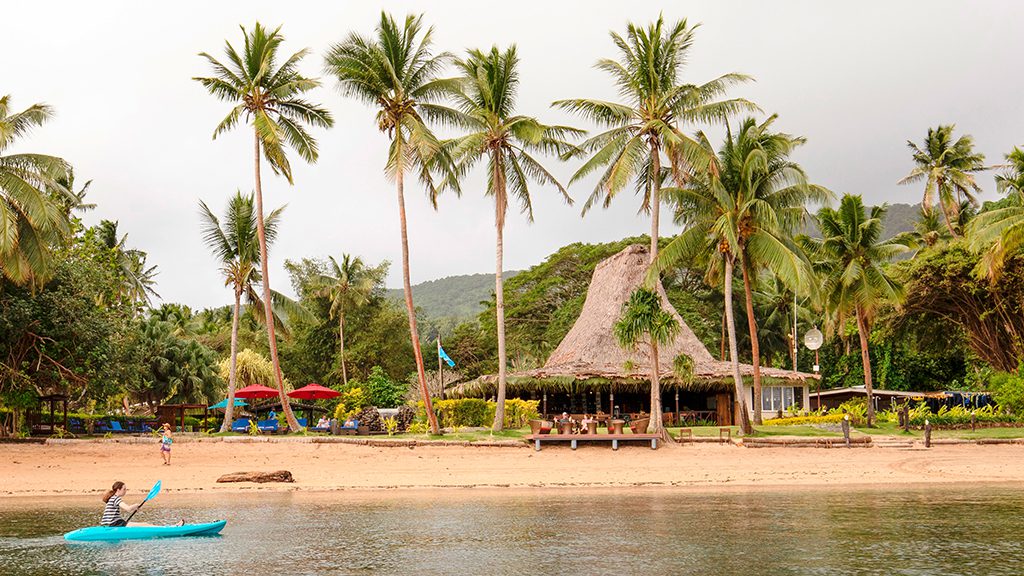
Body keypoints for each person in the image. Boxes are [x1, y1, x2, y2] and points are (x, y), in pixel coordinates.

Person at [101, 481, 183, 527]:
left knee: (144, 524)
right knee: (146, 524)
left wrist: (134, 508)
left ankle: (171, 526)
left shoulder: (112, 498)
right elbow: (128, 509)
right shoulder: (116, 498)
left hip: (114, 524)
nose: (125, 491)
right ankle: (172, 527)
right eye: (124, 489)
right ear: (118, 490)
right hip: (116, 524)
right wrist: (135, 505)